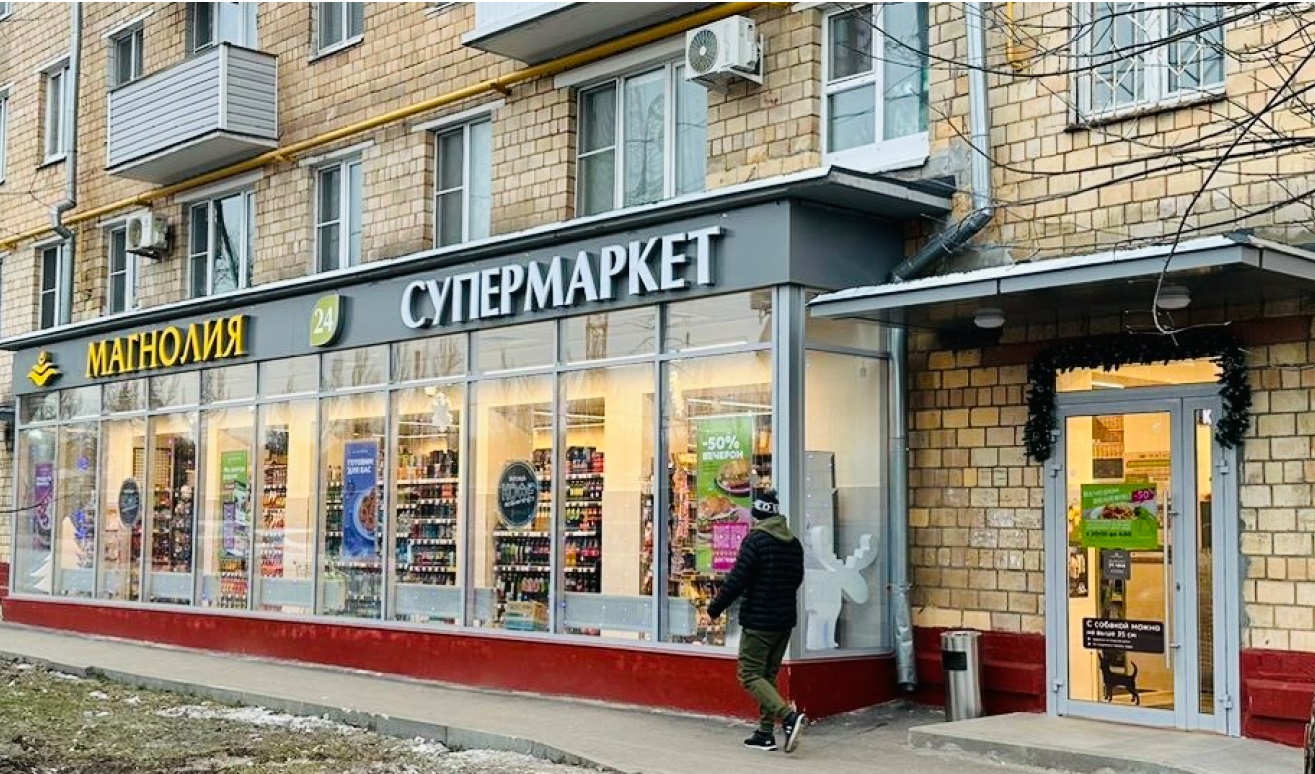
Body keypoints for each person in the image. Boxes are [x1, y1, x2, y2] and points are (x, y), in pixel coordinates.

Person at [706, 488, 807, 753]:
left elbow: (737, 580)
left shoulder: (755, 541)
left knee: (749, 674)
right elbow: (796, 580)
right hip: (784, 621)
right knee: (767, 676)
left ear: (757, 514)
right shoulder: (793, 543)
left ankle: (788, 718)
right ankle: (764, 733)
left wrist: (715, 608)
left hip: (759, 621)